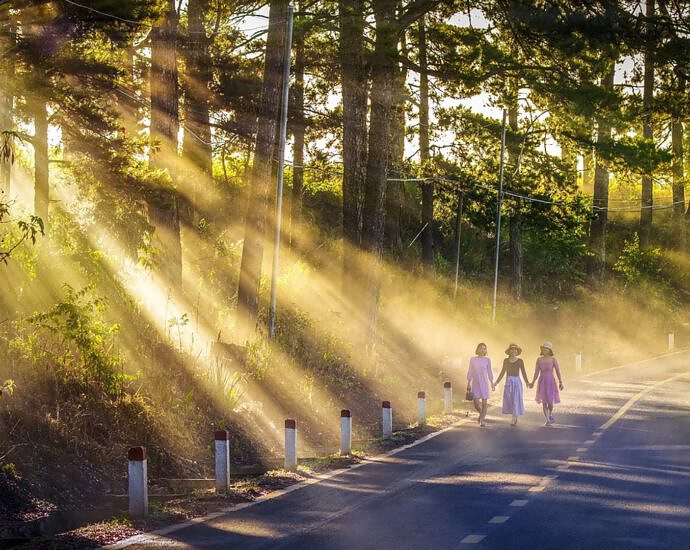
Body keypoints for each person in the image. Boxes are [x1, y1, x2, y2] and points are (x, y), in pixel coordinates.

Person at [493, 343, 529, 427]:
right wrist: (496, 382)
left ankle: (514, 418)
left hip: (516, 381)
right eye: (512, 349)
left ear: (517, 351)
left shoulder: (520, 361)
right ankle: (514, 415)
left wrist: (527, 382)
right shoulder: (506, 360)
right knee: (510, 399)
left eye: (515, 350)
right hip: (508, 381)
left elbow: (523, 372)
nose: (513, 351)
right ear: (509, 351)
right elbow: (502, 372)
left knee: (516, 400)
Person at [529, 341, 564, 426]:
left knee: (550, 403)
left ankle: (550, 414)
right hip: (542, 382)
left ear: (550, 350)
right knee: (544, 401)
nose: (545, 350)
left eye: (547, 349)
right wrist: (533, 382)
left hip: (551, 381)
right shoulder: (539, 359)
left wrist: (560, 382)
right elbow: (536, 372)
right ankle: (547, 420)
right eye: (543, 348)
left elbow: (558, 371)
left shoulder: (553, 359)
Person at [467, 343, 493, 427]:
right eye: (481, 348)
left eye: (484, 348)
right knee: (476, 403)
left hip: (484, 382)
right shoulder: (473, 359)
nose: (482, 350)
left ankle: (481, 420)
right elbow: (470, 371)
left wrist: (492, 383)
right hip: (475, 382)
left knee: (484, 403)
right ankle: (481, 413)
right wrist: (468, 383)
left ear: (486, 350)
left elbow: (489, 372)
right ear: (477, 349)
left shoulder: (487, 360)